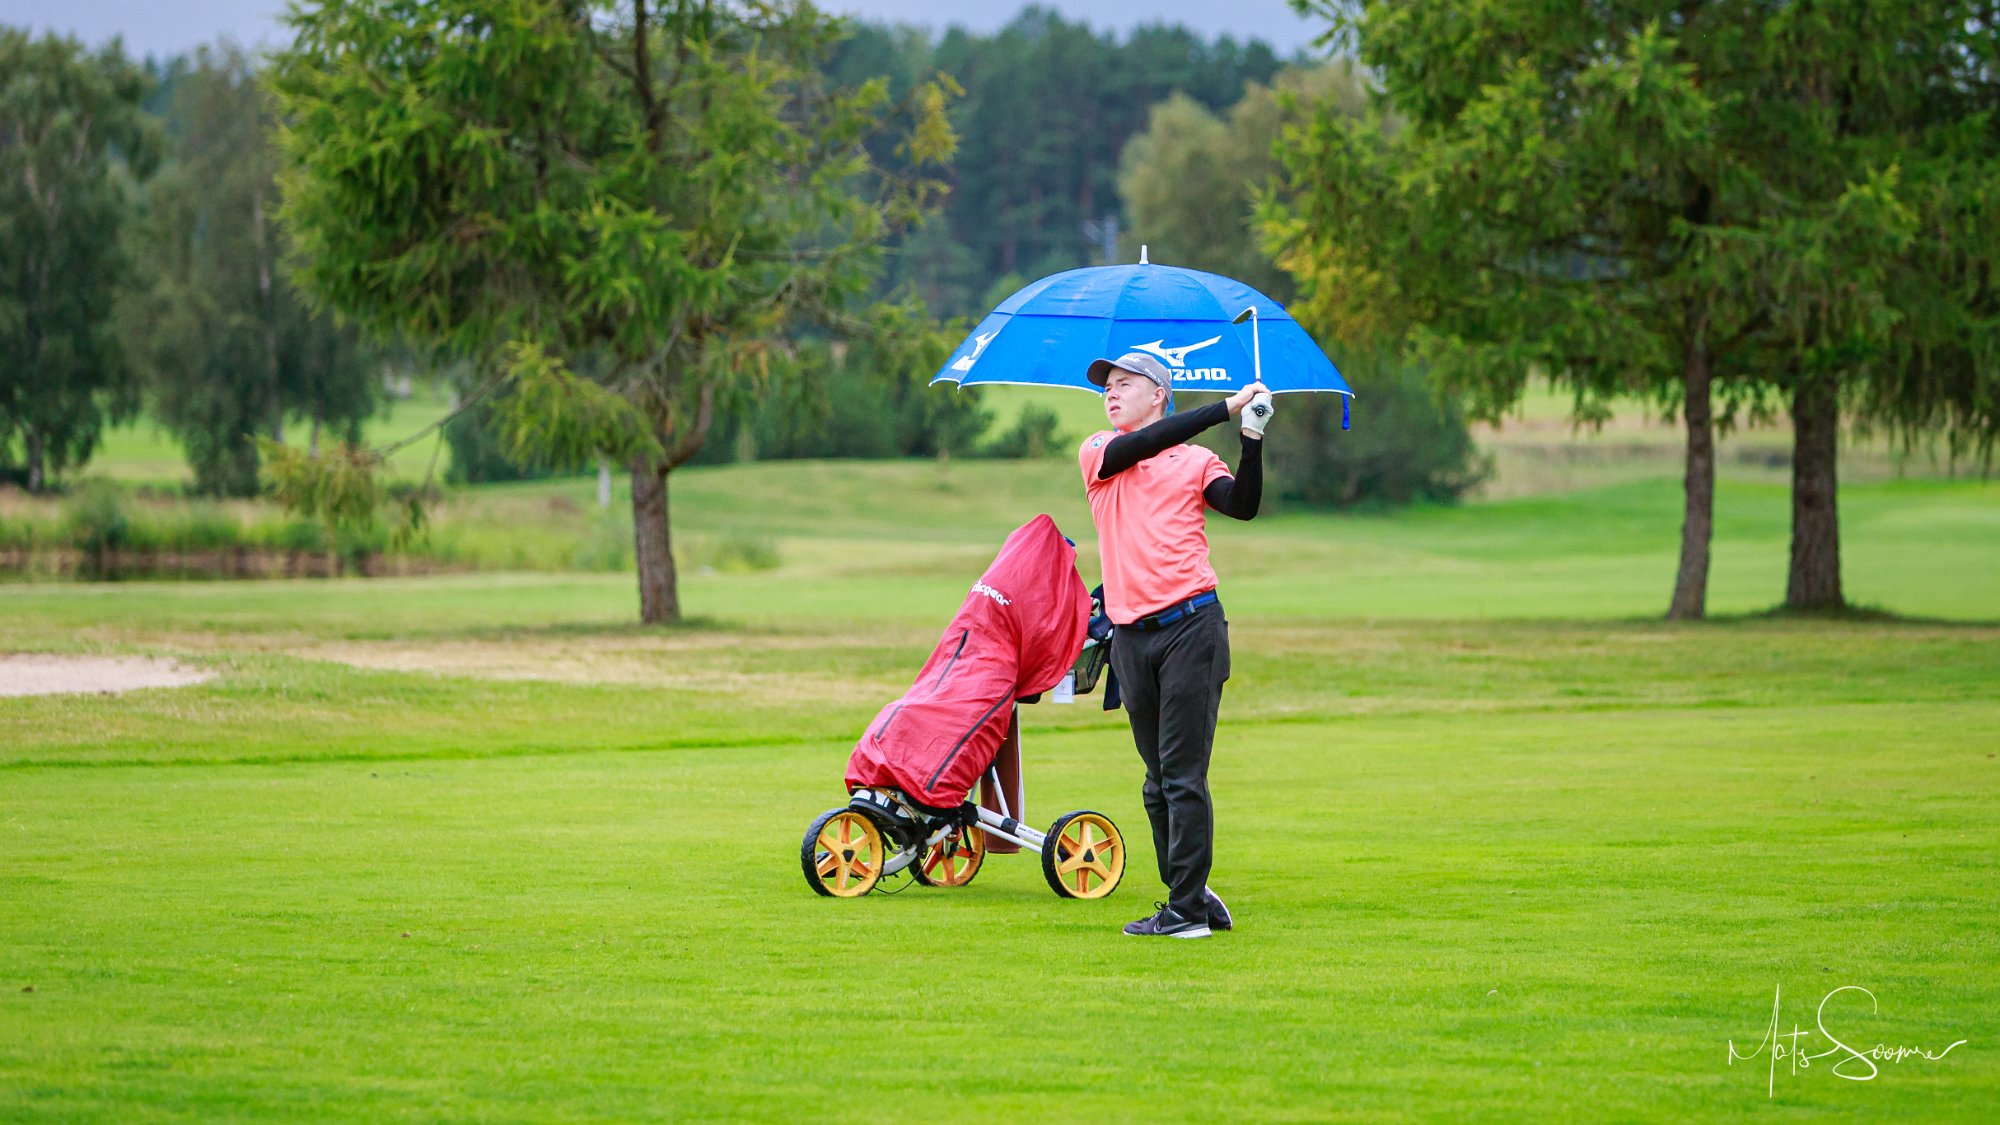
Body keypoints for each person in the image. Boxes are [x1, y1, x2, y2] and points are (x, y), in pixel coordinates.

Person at [1077, 351, 1272, 939]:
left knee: (1183, 776)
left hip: (1193, 627)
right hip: (1131, 637)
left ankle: (1186, 911)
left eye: (1125, 384)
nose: (1111, 394)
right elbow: (1145, 444)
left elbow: (1242, 506)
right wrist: (1223, 406)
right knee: (1156, 781)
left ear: (1159, 393)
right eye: (1107, 387)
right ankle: (1189, 893)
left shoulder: (1196, 460)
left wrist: (1251, 437)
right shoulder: (1099, 453)